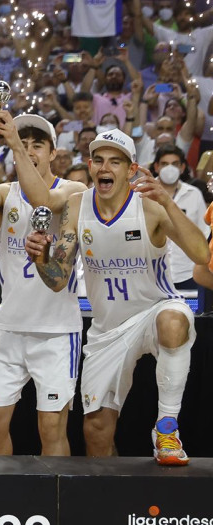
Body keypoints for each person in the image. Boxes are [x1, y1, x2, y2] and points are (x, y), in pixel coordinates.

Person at [26, 129, 209, 465]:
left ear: (130, 169)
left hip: (154, 310)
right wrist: (41, 258)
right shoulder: (76, 207)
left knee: (173, 321)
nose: (104, 167)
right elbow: (57, 280)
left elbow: (201, 254)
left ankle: (167, 429)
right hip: (108, 329)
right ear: (91, 166)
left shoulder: (151, 206)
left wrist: (168, 201)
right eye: (98, 160)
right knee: (96, 432)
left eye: (115, 160)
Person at [0, 112, 85, 456]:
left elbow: (43, 200)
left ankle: (56, 507)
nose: (30, 149)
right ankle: (1, 500)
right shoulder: (5, 192)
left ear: (52, 152)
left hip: (57, 331)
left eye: (37, 144)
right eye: (24, 142)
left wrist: (14, 143)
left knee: (51, 427)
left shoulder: (74, 191)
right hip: (10, 327)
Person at [150, 144, 209, 289]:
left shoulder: (194, 194)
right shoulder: (145, 193)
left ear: (182, 168)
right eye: (164, 164)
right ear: (156, 167)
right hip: (151, 273)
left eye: (174, 164)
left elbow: (204, 233)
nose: (170, 168)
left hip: (186, 272)